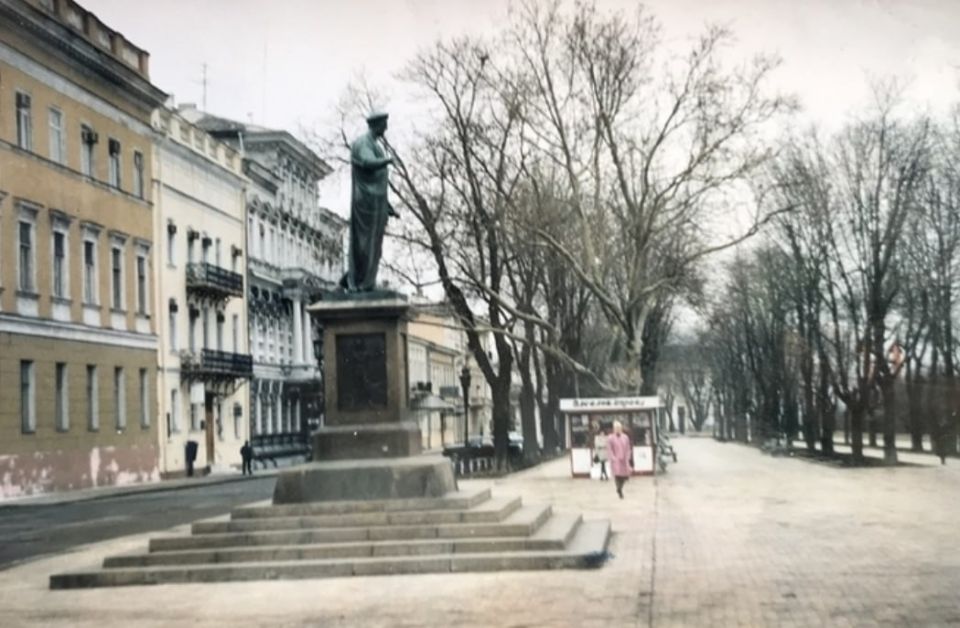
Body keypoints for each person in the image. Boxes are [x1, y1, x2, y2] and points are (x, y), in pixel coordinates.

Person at [339, 110, 400, 292]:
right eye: (384, 124)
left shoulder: (375, 144)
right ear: (377, 125)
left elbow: (378, 181)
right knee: (364, 244)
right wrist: (388, 160)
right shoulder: (363, 143)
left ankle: (364, 282)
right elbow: (366, 162)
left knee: (374, 246)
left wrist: (387, 206)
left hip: (375, 203)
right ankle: (358, 282)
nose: (386, 127)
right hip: (364, 203)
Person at [608, 420, 633, 499]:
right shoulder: (610, 438)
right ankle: (619, 490)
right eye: (616, 428)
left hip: (624, 459)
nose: (618, 429)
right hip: (616, 460)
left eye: (619, 428)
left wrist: (628, 456)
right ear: (614, 429)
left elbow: (628, 447)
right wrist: (613, 458)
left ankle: (620, 488)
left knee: (624, 476)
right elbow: (609, 449)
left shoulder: (625, 437)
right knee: (617, 475)